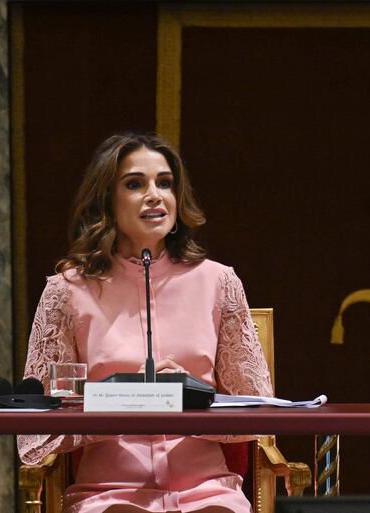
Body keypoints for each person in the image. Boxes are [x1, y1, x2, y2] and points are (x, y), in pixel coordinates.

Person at [18, 133, 272, 513]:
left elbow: (259, 414)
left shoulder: (219, 282)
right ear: (106, 199)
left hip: (208, 491)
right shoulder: (67, 291)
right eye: (135, 184)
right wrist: (123, 398)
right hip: (109, 494)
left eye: (165, 183)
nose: (155, 195)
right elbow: (36, 436)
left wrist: (188, 398)